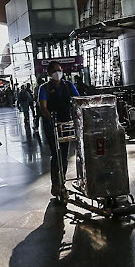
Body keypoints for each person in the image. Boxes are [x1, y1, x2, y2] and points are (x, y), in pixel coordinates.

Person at [38, 61, 79, 198]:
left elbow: (77, 101)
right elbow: (43, 107)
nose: (58, 73)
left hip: (66, 123)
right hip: (52, 124)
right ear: (49, 74)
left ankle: (62, 182)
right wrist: (50, 118)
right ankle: (55, 183)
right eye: (55, 70)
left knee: (64, 155)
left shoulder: (68, 86)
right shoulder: (44, 88)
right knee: (56, 154)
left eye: (59, 70)